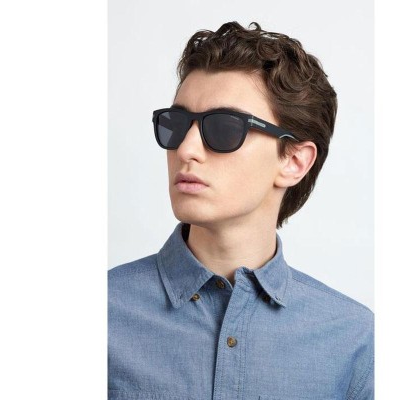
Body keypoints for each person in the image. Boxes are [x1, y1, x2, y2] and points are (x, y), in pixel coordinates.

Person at [109, 21, 373, 400]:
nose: (186, 150)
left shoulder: (354, 341)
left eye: (224, 128)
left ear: (294, 161)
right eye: (176, 125)